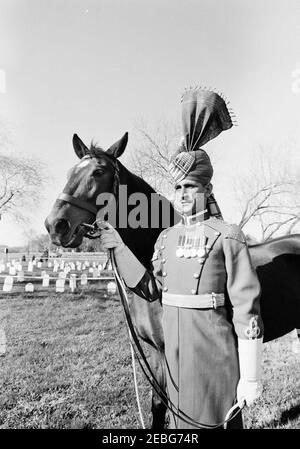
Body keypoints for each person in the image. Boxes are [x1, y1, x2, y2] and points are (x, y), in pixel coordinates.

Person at [100, 88, 264, 429]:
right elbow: (151, 288)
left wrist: (250, 375)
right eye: (178, 188)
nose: (184, 194)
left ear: (206, 190)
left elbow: (248, 311)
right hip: (175, 359)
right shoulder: (166, 238)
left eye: (191, 187)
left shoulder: (228, 236)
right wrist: (117, 246)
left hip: (214, 360)